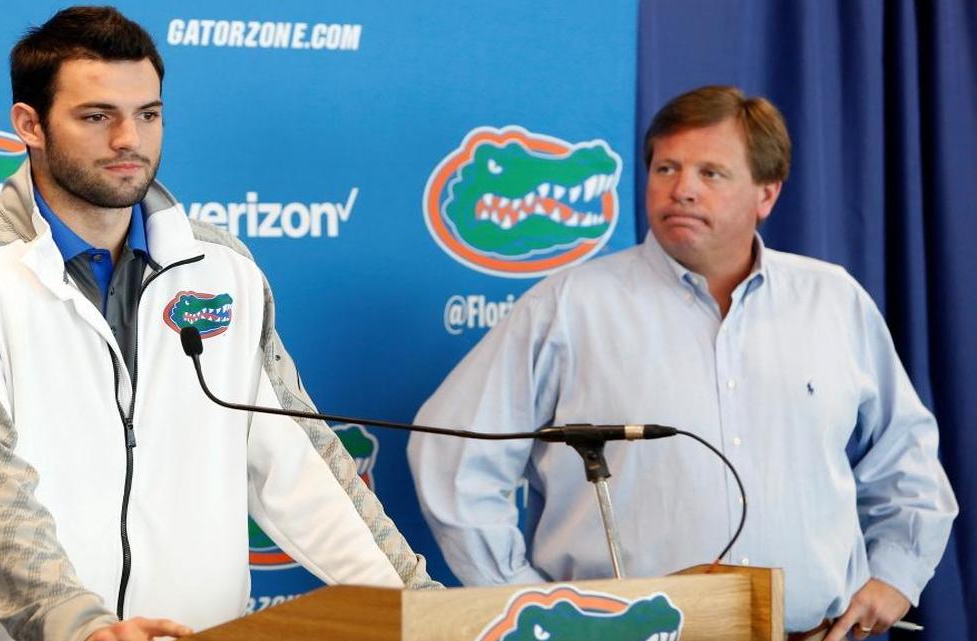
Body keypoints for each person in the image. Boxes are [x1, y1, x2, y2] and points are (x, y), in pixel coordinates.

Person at [0, 7, 436, 641]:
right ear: (29, 124)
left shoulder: (221, 266)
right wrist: (81, 627)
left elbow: (301, 462)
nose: (129, 140)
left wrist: (420, 606)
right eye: (97, 116)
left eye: (148, 114)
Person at [408, 85, 956, 641]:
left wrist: (896, 574)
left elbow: (905, 456)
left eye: (710, 174)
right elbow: (452, 455)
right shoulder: (570, 306)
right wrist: (521, 601)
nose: (682, 190)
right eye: (666, 168)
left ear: (766, 194)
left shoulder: (833, 301)